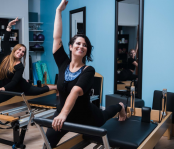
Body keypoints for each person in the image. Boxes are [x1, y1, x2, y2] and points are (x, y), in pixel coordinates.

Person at [45, 0, 126, 147]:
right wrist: (58, 11)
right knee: (48, 141)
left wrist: (64, 114)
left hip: (86, 116)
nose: (81, 46)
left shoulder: (88, 70)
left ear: (87, 50)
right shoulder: (63, 63)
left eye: (85, 45)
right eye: (77, 43)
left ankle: (120, 106)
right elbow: (57, 38)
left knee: (105, 115)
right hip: (63, 112)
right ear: (70, 47)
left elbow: (76, 90)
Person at [0, 18, 57, 137]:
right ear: (15, 50)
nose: (21, 52)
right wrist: (9, 27)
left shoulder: (20, 66)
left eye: (23, 52)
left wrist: (2, 89)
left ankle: (55, 87)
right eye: (20, 50)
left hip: (21, 86)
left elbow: (15, 81)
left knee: (39, 90)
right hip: (9, 89)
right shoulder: (7, 57)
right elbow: (5, 42)